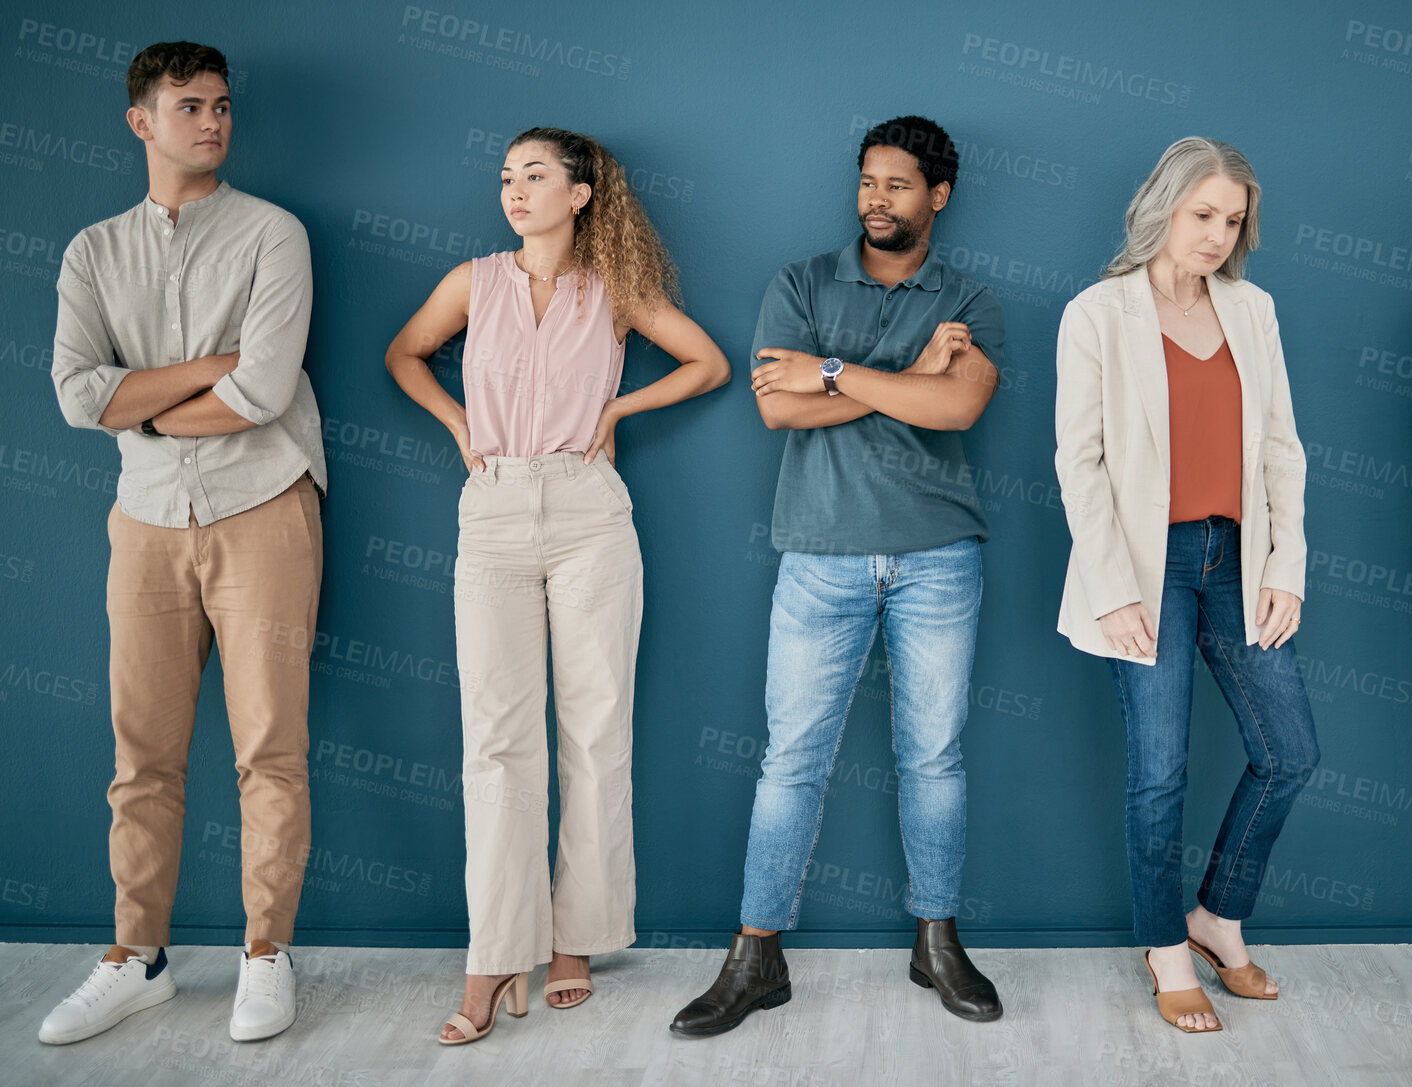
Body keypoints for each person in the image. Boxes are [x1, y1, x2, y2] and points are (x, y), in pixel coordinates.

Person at [384, 126, 729, 1044]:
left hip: (588, 514)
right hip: (492, 509)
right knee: (495, 742)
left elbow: (708, 362)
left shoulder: (613, 290)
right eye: (505, 176)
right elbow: (403, 354)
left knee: (594, 730)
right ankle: (495, 952)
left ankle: (576, 938)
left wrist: (618, 406)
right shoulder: (474, 281)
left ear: (581, 194)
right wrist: (460, 426)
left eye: (535, 175)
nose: (515, 189)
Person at [670, 115, 1005, 1037]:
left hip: (939, 555)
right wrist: (892, 374)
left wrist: (832, 373)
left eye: (898, 185)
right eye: (867, 182)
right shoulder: (802, 281)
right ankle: (755, 956)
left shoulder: (969, 294)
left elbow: (957, 408)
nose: (876, 200)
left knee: (933, 758)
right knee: (790, 763)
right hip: (818, 555)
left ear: (937, 195)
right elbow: (778, 409)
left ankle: (934, 941)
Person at [42, 41, 326, 1045]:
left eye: (221, 106)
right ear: (142, 122)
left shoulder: (273, 234)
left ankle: (265, 952)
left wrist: (148, 405)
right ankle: (138, 956)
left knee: (270, 751)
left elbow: (262, 392)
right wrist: (205, 368)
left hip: (265, 509)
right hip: (147, 521)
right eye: (189, 105)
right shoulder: (92, 252)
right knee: (142, 756)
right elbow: (77, 396)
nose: (212, 120)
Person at [1053, 137, 1318, 1034]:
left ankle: (1217, 915)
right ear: (1163, 204)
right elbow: (1078, 463)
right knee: (1158, 774)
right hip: (1143, 566)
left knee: (1289, 753)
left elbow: (1282, 446)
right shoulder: (1096, 313)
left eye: (1233, 219)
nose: (1216, 234)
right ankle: (1167, 948)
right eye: (1203, 213)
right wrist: (1110, 585)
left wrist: (1286, 568)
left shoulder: (1254, 310)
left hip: (1237, 559)